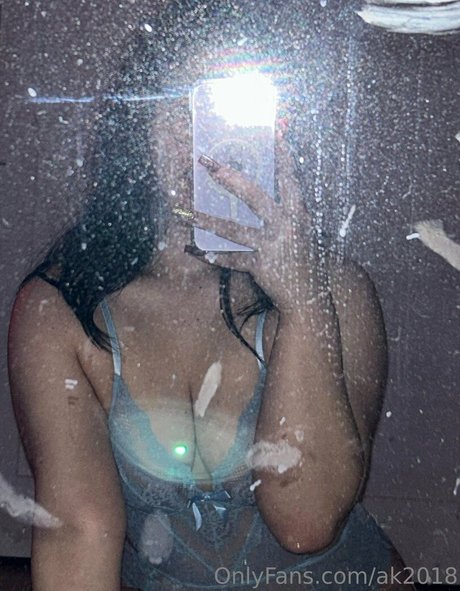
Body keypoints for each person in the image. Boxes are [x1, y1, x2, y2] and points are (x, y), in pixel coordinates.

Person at [7, 2, 414, 589]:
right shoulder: (62, 308)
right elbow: (77, 536)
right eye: (186, 107)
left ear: (278, 130)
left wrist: (303, 305)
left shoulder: (336, 290)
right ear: (138, 124)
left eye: (231, 113)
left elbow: (308, 522)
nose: (207, 143)